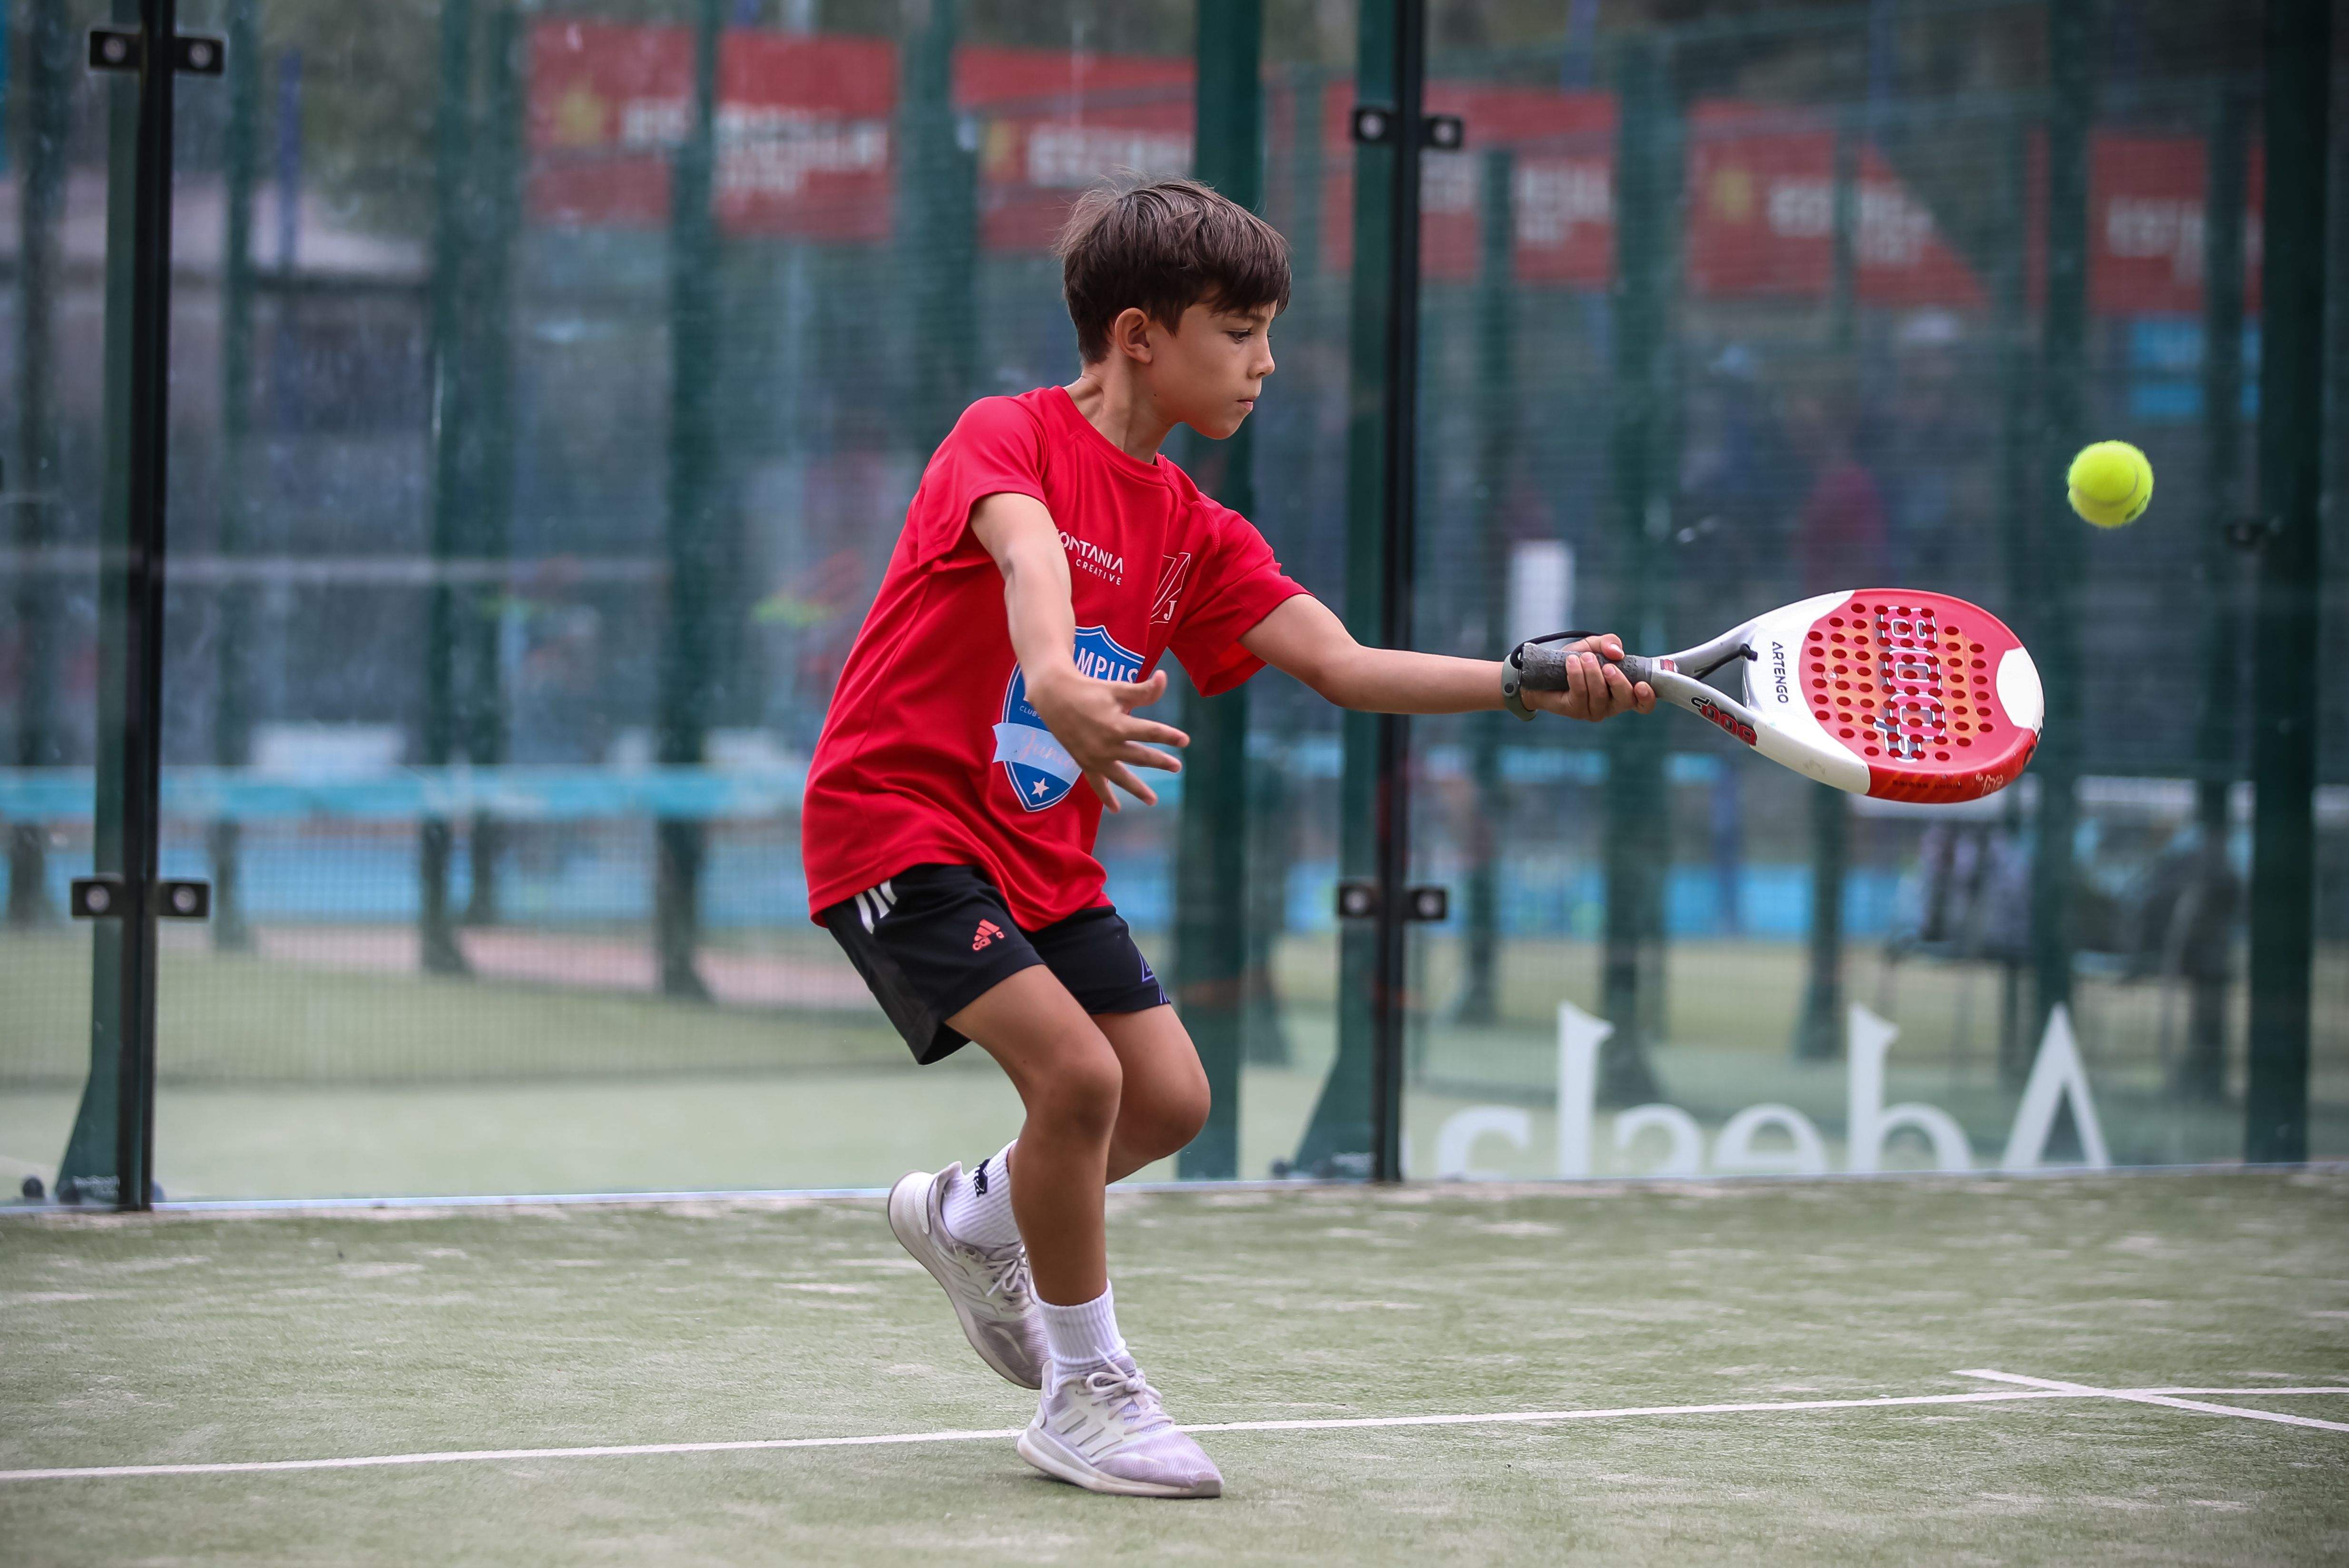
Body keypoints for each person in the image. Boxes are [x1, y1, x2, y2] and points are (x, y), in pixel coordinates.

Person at [799, 177, 1653, 1500]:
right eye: (1238, 330)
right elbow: (1027, 556)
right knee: (1078, 1083)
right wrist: (1058, 677)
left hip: (1039, 856)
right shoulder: (1005, 434)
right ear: (1139, 334)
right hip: (895, 819)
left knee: (1170, 1100)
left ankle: (973, 1211)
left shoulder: (1196, 531)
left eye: (1267, 331)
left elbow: (1346, 664)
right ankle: (1086, 1390)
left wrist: (1528, 677)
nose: (1264, 362)